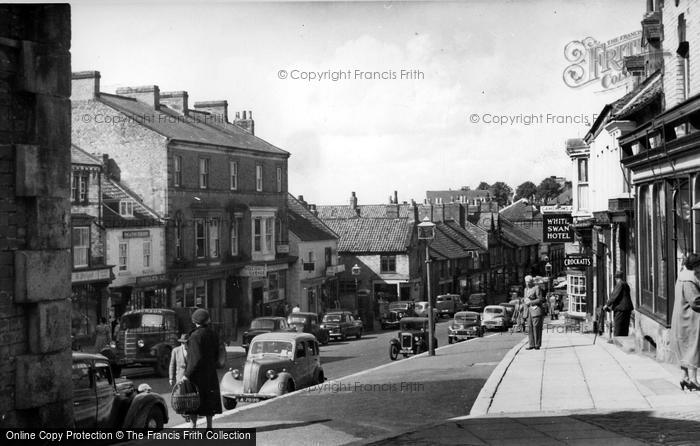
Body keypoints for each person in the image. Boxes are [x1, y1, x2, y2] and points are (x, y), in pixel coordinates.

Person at [182, 309, 222, 428]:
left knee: (193, 402)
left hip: (197, 376)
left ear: (195, 321)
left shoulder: (195, 336)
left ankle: (193, 427)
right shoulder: (213, 334)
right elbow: (216, 354)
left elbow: (195, 359)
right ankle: (209, 428)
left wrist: (186, 375)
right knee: (209, 402)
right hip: (210, 373)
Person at [670, 254, 700, 391]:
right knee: (693, 347)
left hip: (681, 317)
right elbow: (695, 301)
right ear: (695, 266)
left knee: (684, 347)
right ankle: (693, 379)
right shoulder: (689, 279)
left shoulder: (682, 275)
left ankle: (684, 377)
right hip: (690, 319)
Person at [603, 271, 633, 336]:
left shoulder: (620, 284)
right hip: (627, 308)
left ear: (616, 278)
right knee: (625, 327)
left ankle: (616, 341)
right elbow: (621, 297)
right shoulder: (625, 284)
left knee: (618, 326)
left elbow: (614, 296)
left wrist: (607, 305)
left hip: (621, 309)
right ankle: (623, 340)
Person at [523, 275, 544, 350]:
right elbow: (525, 301)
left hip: (536, 311)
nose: (527, 283)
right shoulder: (525, 289)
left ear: (532, 282)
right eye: (526, 282)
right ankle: (531, 344)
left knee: (536, 328)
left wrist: (531, 302)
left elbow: (540, 299)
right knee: (530, 328)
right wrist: (524, 314)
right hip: (529, 312)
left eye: (529, 282)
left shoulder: (536, 288)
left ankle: (537, 345)